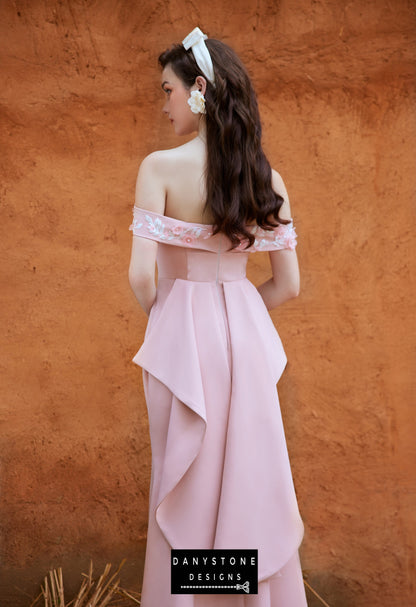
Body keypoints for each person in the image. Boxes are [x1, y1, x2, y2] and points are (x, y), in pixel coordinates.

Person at [128, 27, 308, 607]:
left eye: (169, 91)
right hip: (247, 341)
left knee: (188, 481)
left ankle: (191, 600)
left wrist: (174, 317)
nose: (165, 104)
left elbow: (140, 278)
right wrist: (240, 307)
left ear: (199, 89)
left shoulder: (159, 167)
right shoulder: (267, 179)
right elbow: (289, 284)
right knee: (244, 478)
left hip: (181, 343)